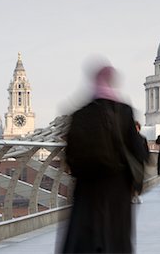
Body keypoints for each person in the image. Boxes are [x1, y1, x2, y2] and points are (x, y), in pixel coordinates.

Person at [62, 65, 146, 254]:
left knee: (87, 237)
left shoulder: (80, 114)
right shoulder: (123, 111)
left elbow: (70, 153)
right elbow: (137, 149)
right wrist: (136, 182)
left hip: (87, 185)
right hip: (117, 184)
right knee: (116, 236)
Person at [132, 121, 150, 204]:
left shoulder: (143, 138)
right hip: (132, 162)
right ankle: (133, 195)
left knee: (140, 179)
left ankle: (138, 194)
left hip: (140, 161)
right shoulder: (128, 139)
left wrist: (146, 159)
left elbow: (146, 150)